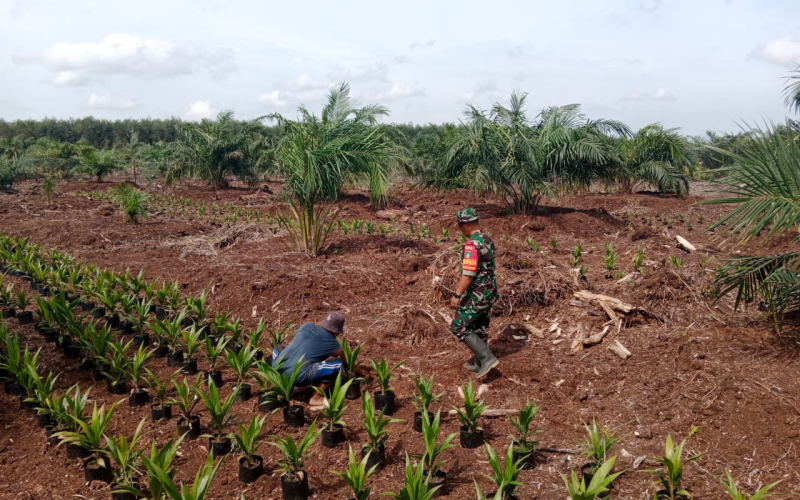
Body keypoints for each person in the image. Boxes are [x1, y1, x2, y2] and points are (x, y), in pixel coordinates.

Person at [271, 311, 366, 406]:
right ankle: (316, 398)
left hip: (277, 371)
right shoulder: (334, 345)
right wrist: (362, 372)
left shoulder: (305, 326)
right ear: (336, 332)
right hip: (297, 377)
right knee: (338, 364)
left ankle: (282, 387)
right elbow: (348, 363)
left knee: (278, 347)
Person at [449, 207, 499, 378]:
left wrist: (457, 295)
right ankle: (479, 363)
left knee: (458, 326)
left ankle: (487, 358)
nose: (460, 230)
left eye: (459, 226)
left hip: (478, 292)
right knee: (478, 325)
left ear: (465, 225)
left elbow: (468, 275)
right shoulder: (487, 239)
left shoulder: (472, 245)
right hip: (489, 290)